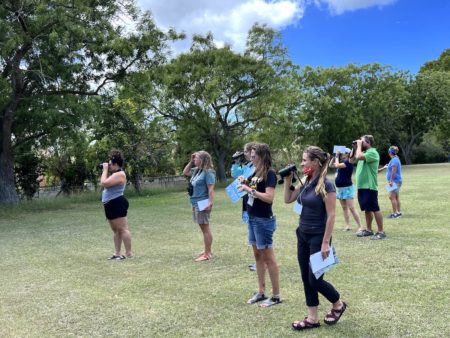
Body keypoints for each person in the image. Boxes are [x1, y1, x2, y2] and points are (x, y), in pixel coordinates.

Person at [284, 146, 346, 331]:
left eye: (305, 160)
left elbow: (332, 215)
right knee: (306, 277)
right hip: (302, 234)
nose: (302, 163)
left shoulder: (327, 185)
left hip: (319, 237)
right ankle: (312, 318)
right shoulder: (306, 180)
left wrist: (326, 242)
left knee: (315, 279)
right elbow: (288, 199)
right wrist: (288, 180)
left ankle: (338, 304)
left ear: (316, 162)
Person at [238, 143, 282, 307]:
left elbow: (269, 197)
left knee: (268, 258)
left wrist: (249, 190)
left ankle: (276, 295)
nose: (251, 157)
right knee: (257, 256)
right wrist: (245, 183)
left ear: (262, 156)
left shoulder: (270, 173)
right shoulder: (254, 171)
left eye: (254, 155)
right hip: (252, 217)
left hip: (263, 220)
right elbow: (252, 189)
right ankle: (261, 291)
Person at [183, 151, 216, 262]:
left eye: (196, 158)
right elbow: (185, 172)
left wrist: (210, 203)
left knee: (205, 228)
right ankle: (207, 250)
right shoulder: (197, 171)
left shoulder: (208, 172)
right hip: (195, 202)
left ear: (202, 160)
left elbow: (211, 189)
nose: (195, 160)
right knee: (203, 228)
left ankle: (207, 254)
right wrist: (191, 161)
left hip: (203, 203)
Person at [101, 149, 132, 260]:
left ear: (115, 164)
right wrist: (107, 170)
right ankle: (117, 253)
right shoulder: (114, 174)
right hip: (110, 204)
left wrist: (104, 169)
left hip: (117, 203)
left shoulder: (120, 174)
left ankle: (128, 253)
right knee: (116, 230)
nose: (108, 166)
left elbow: (103, 183)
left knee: (123, 229)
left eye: (110, 164)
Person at [231, 142, 257, 271]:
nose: (245, 154)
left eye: (246, 152)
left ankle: (261, 262)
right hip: (247, 199)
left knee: (257, 231)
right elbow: (235, 174)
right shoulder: (247, 165)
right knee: (251, 228)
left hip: (254, 199)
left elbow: (254, 185)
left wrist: (246, 184)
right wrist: (236, 162)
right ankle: (258, 261)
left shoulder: (257, 167)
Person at [354, 135, 386, 240]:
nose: (360, 143)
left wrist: (358, 146)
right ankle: (368, 230)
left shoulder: (373, 152)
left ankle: (381, 232)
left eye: (362, 141)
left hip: (369, 186)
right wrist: (356, 147)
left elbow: (358, 157)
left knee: (375, 208)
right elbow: (352, 160)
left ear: (367, 142)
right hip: (361, 186)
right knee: (367, 209)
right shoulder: (364, 153)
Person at [329, 148, 362, 232]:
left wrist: (336, 156)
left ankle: (360, 226)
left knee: (352, 208)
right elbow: (330, 165)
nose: (341, 154)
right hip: (340, 188)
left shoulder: (348, 162)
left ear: (348, 154)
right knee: (344, 208)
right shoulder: (341, 162)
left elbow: (336, 165)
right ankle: (347, 225)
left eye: (343, 153)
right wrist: (334, 156)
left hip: (347, 188)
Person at [378, 146, 403, 218]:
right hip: (396, 181)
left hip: (394, 181)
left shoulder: (394, 160)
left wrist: (391, 181)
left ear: (390, 152)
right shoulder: (395, 159)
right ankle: (398, 212)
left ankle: (395, 214)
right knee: (396, 197)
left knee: (392, 197)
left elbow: (394, 170)